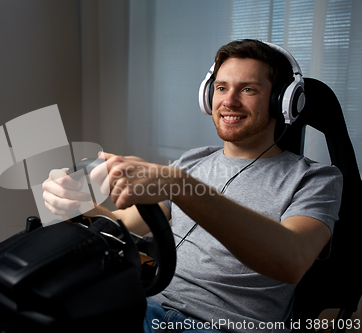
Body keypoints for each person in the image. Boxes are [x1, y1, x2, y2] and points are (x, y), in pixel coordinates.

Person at [41, 39, 343, 332]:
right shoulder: (192, 161)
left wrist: (180, 186)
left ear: (282, 100)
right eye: (222, 88)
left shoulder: (316, 179)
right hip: (147, 308)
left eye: (248, 89)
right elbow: (124, 227)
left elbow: (292, 261)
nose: (229, 101)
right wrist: (77, 206)